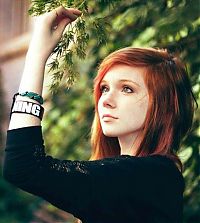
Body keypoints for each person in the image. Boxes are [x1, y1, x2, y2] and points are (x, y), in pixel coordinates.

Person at [3, 6, 195, 223]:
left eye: (127, 89)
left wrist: (37, 54)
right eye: (104, 88)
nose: (106, 100)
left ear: (163, 104)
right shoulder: (125, 180)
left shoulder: (153, 176)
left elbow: (24, 166)